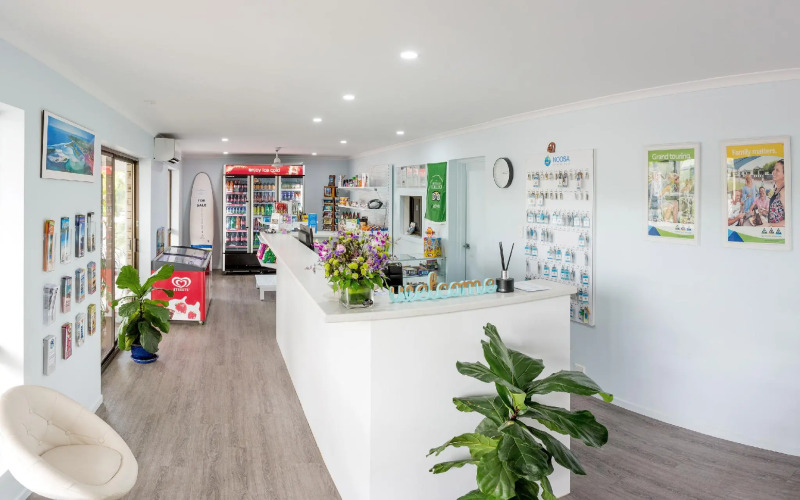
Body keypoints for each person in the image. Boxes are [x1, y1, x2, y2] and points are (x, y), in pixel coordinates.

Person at [768, 160, 786, 226]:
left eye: (777, 170)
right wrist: (767, 212)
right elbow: (778, 212)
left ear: (784, 174)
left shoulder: (783, 192)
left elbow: (788, 221)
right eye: (774, 169)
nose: (773, 172)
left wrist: (769, 225)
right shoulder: (776, 190)